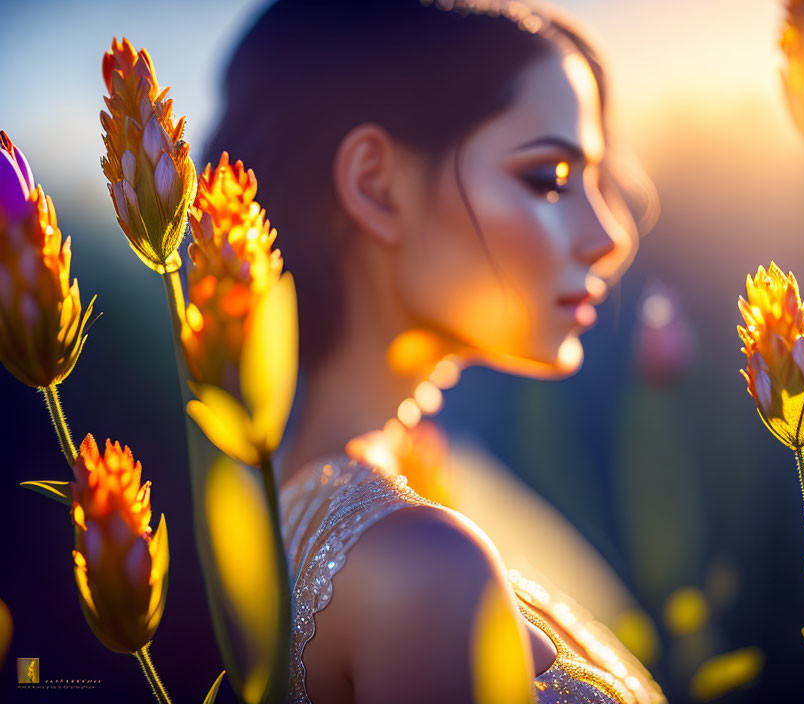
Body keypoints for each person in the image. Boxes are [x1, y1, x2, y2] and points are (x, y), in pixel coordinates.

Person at [206, 0, 667, 702]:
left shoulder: (296, 514)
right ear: (375, 186)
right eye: (549, 178)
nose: (612, 236)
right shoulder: (424, 567)